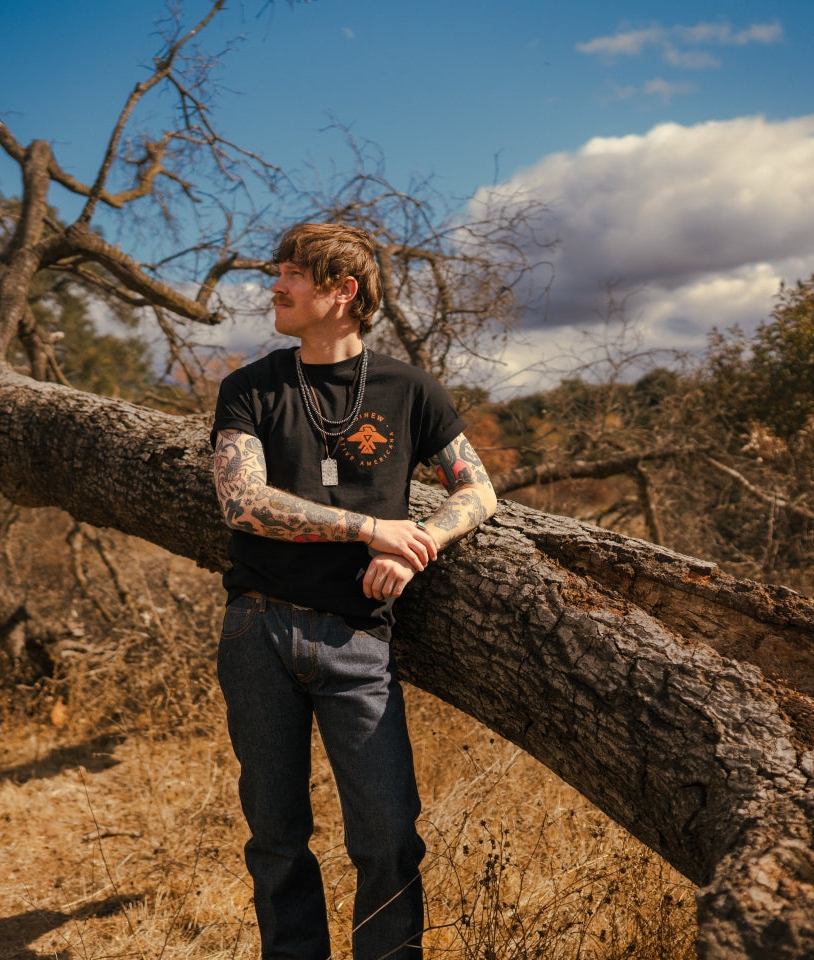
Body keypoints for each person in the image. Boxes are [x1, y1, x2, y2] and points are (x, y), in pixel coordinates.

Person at [210, 222, 497, 960]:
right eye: (276, 272)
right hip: (259, 634)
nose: (274, 286)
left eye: (291, 275)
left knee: (388, 838)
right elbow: (242, 502)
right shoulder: (250, 387)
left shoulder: (409, 389)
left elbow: (479, 490)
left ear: (344, 292)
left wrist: (421, 541)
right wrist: (371, 530)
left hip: (359, 641)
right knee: (277, 840)